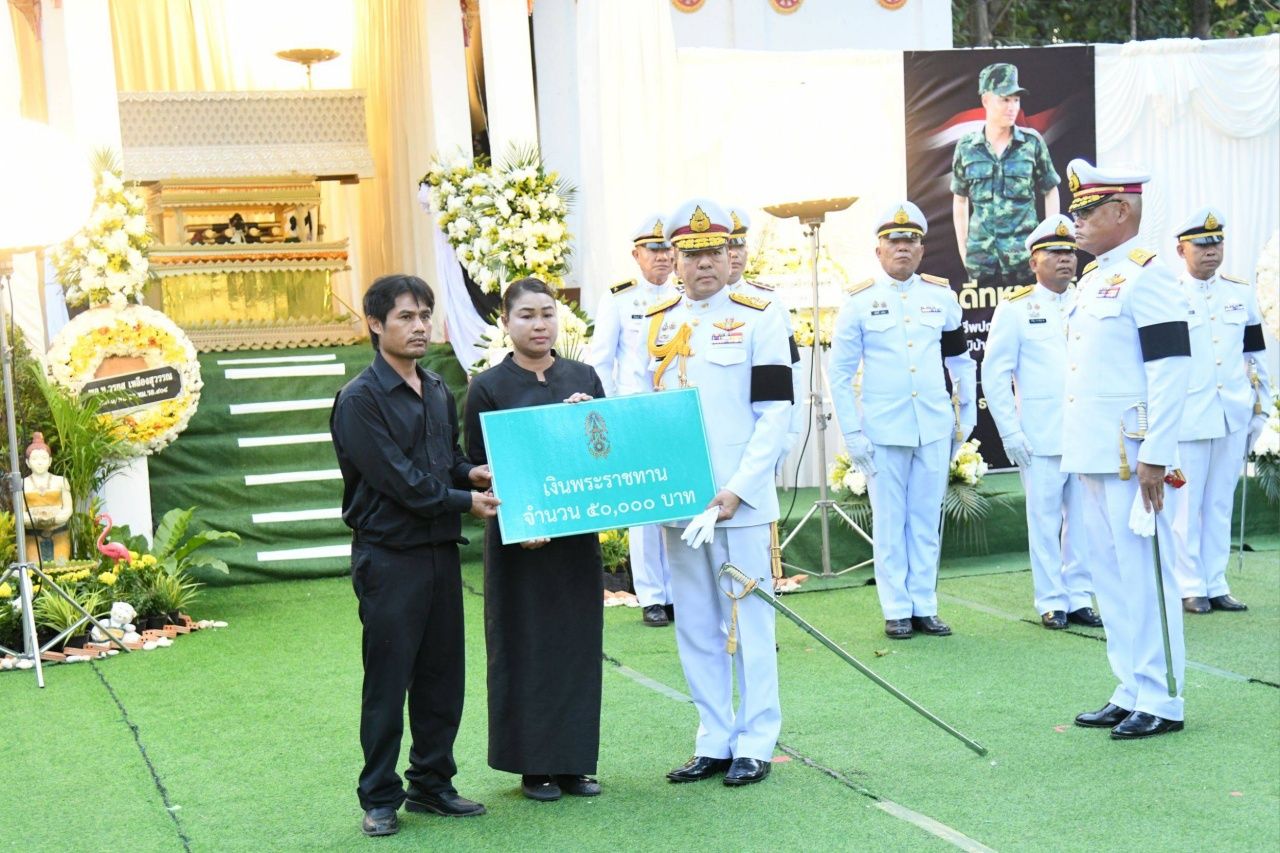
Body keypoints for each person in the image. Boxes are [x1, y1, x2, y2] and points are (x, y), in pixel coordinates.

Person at [330, 274, 499, 837]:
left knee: (442, 677)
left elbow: (445, 458)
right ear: (375, 324)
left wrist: (470, 473)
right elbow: (399, 481)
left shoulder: (436, 387)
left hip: (439, 552)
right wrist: (465, 500)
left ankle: (432, 783)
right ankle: (379, 797)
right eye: (406, 316)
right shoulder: (359, 400)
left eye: (425, 315)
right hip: (388, 556)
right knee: (388, 682)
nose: (420, 326)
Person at [647, 199, 792, 787]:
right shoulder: (655, 320)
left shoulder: (761, 315)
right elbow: (641, 409)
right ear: (674, 259)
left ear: (730, 255)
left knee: (751, 622)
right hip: (679, 500)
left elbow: (775, 413)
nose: (703, 263)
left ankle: (756, 741)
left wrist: (737, 489)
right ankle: (713, 737)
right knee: (696, 623)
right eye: (691, 253)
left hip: (739, 501)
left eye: (713, 251)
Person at [464, 277, 608, 803]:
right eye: (526, 315)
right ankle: (534, 766)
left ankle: (575, 763)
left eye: (547, 313)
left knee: (576, 645)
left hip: (575, 538)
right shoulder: (487, 387)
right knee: (525, 646)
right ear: (505, 322)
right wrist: (520, 520)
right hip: (520, 545)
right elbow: (478, 465)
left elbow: (605, 452)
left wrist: (587, 420)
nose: (539, 324)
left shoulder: (583, 377)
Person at [1062, 159, 1191, 740]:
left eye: (1087, 210)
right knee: (1110, 577)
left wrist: (1156, 452)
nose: (1077, 220)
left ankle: (1162, 697)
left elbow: (1171, 369)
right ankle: (1131, 687)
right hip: (1093, 451)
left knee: (1146, 576)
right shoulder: (1093, 278)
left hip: (1133, 454)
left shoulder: (1149, 276)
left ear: (1121, 211)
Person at [829, 202, 977, 640]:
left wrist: (966, 415)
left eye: (911, 240)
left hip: (932, 425)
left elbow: (960, 360)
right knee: (891, 522)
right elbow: (840, 374)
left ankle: (924, 605)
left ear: (922, 249)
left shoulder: (941, 297)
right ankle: (896, 608)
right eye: (894, 241)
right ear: (878, 250)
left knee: (926, 520)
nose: (903, 248)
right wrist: (852, 433)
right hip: (883, 429)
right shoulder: (858, 302)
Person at [983, 215, 1102, 630]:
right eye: (1054, 252)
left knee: (1083, 521)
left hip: (1086, 432)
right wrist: (1010, 431)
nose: (1065, 259)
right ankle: (1051, 599)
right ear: (1034, 262)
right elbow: (994, 374)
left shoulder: (1090, 301)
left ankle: (1080, 595)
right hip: (1040, 433)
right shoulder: (1016, 309)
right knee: (1045, 520)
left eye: (1069, 251)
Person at [1167, 207, 1272, 615]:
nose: (1211, 251)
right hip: (1189, 416)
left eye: (1217, 243)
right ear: (1181, 250)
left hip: (1231, 412)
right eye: (1202, 244)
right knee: (1186, 505)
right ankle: (1189, 585)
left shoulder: (1239, 293)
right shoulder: (1169, 295)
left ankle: (1215, 582)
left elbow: (1255, 354)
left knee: (1220, 502)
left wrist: (1261, 408)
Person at [586, 214, 676, 626]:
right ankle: (653, 596)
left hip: (676, 413)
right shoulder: (620, 299)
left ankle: (678, 592)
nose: (663, 256)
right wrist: (609, 413)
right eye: (653, 249)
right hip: (635, 413)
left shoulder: (685, 296)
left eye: (667, 248)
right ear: (636, 255)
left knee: (679, 501)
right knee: (645, 509)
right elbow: (602, 361)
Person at [952, 62, 1060, 287]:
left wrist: (1048, 242)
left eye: (1016, 100)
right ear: (986, 100)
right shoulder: (967, 147)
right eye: (1005, 99)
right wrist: (964, 250)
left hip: (1025, 261)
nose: (1012, 107)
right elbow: (960, 199)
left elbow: (1050, 189)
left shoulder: (1031, 143)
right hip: (981, 261)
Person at [726, 205, 804, 477]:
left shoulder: (767, 300)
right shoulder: (686, 306)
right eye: (727, 246)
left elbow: (792, 368)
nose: (734, 253)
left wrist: (790, 431)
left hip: (762, 433)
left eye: (739, 245)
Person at [21, 432, 72, 564]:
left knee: (61, 565)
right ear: (27, 462)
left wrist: (55, 519)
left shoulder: (61, 481)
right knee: (34, 568)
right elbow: (20, 513)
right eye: (34, 459)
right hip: (33, 535)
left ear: (50, 461)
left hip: (59, 532)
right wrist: (35, 520)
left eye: (43, 458)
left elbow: (68, 509)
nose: (39, 462)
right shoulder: (22, 484)